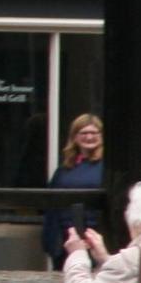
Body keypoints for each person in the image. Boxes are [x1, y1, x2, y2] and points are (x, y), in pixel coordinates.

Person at [41, 113, 107, 264]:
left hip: (98, 239)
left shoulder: (107, 169)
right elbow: (52, 208)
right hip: (67, 239)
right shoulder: (64, 169)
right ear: (75, 137)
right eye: (83, 133)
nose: (89, 137)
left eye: (94, 133)